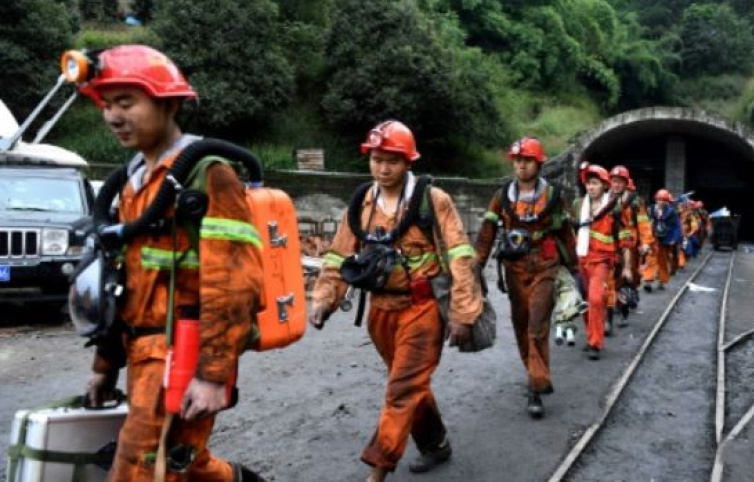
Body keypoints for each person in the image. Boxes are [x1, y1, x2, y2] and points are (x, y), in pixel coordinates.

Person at [79, 45, 266, 481]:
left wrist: (213, 374)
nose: (113, 116)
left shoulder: (209, 175)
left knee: (138, 467)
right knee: (184, 462)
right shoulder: (132, 183)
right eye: (106, 105)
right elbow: (123, 285)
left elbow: (233, 284)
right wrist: (105, 366)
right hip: (143, 352)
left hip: (182, 352)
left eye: (126, 102)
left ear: (169, 104)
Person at [308, 120, 482, 482]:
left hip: (422, 310)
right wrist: (324, 299)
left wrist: (463, 312)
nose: (383, 169)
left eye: (392, 161)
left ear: (408, 162)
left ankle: (379, 468)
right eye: (376, 160)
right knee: (410, 383)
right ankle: (436, 444)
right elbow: (339, 255)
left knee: (402, 387)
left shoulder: (433, 200)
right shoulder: (362, 203)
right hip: (380, 311)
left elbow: (460, 256)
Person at [474, 137, 578, 418]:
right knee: (521, 325)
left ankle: (536, 386)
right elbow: (486, 232)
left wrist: (575, 268)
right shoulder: (502, 196)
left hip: (545, 265)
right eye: (517, 160)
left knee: (536, 324)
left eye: (527, 160)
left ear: (539, 164)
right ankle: (533, 372)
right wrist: (476, 265)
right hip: (514, 268)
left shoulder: (553, 196)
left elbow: (565, 234)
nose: (521, 165)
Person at [570, 164, 631, 360]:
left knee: (596, 299)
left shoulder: (614, 208)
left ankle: (595, 343)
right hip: (581, 259)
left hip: (602, 261)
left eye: (595, 183)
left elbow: (624, 237)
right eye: (588, 183)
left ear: (604, 185)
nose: (591, 187)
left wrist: (627, 265)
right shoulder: (578, 205)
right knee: (584, 301)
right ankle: (591, 336)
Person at [608, 166, 654, 325]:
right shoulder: (605, 199)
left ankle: (624, 307)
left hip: (631, 246)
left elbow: (644, 224)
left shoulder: (635, 202)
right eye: (614, 181)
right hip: (610, 244)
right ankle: (616, 307)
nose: (616, 185)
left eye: (620, 182)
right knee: (612, 278)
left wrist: (646, 243)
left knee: (629, 278)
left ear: (626, 183)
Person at [642, 189, 681, 291]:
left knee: (662, 261)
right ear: (656, 200)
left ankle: (662, 280)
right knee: (650, 259)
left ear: (667, 201)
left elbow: (677, 226)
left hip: (665, 240)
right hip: (653, 238)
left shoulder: (671, 212)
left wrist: (674, 239)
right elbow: (644, 224)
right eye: (659, 199)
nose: (661, 202)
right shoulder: (650, 210)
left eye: (663, 200)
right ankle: (648, 280)